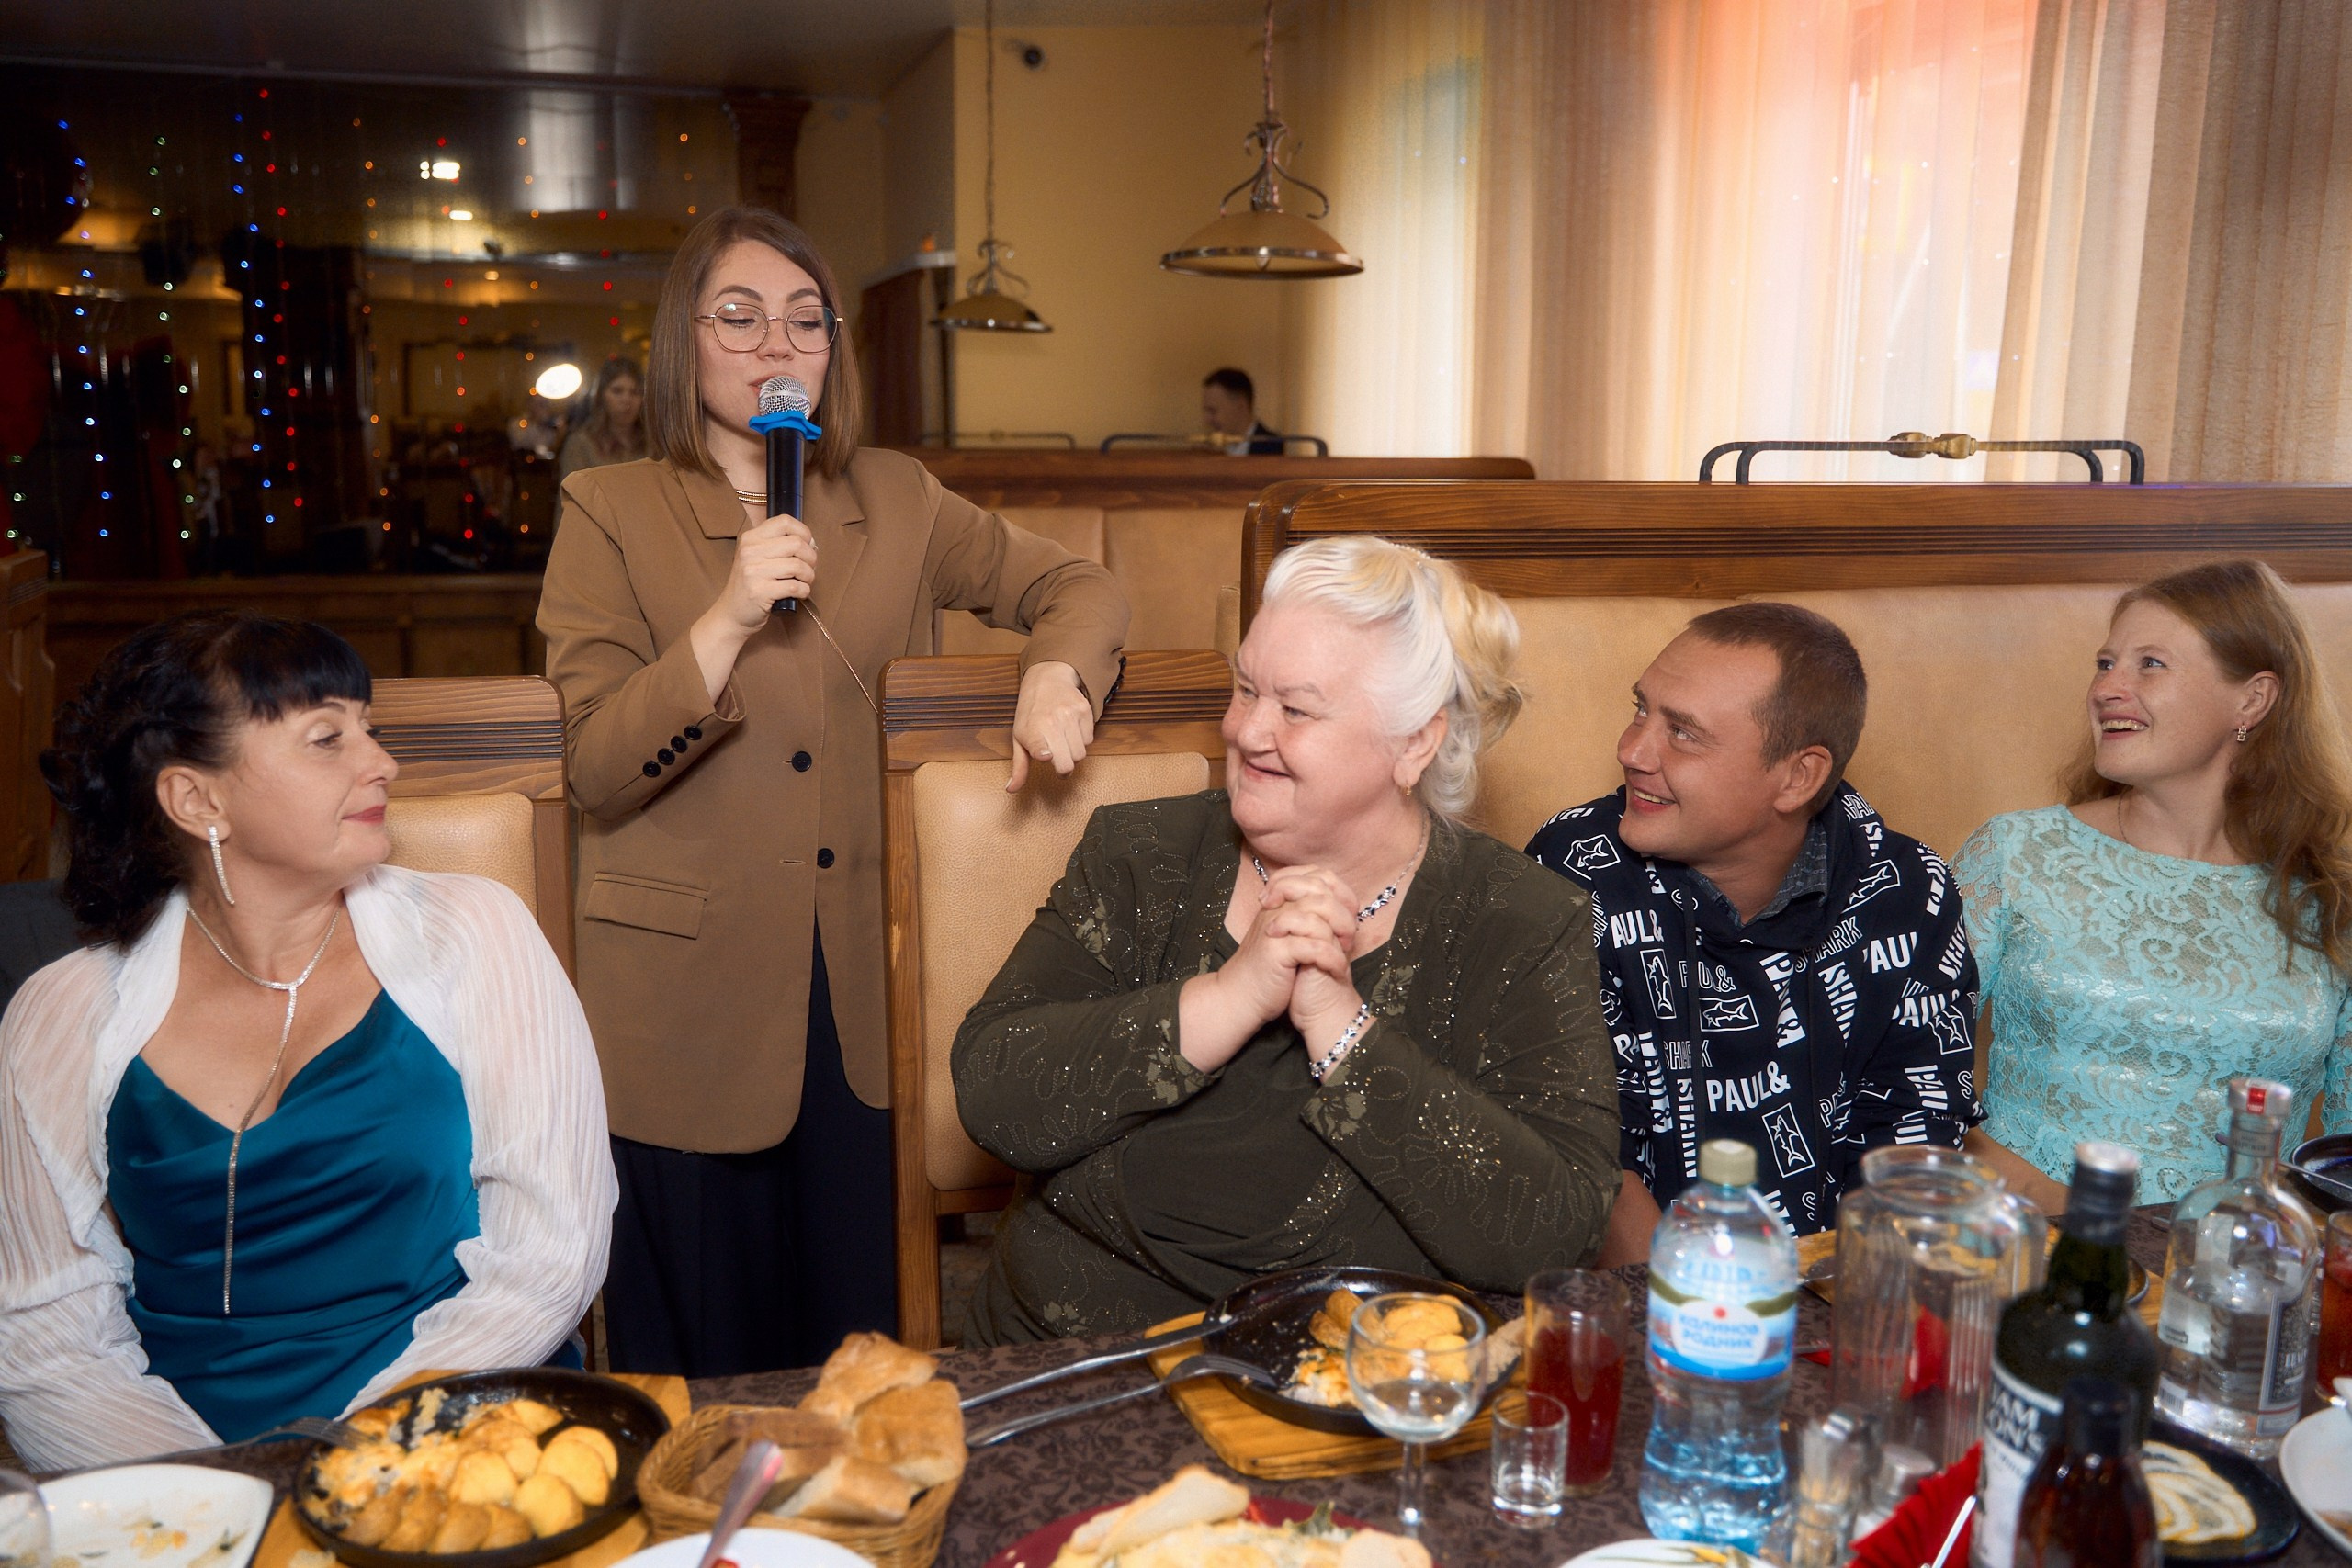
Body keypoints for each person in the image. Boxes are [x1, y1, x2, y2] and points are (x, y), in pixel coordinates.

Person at [537, 206, 1127, 1377]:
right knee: (697, 1374)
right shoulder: (610, 509)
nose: (777, 346)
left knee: (861, 1362)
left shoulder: (897, 497)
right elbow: (596, 763)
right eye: (741, 317)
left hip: (865, 993)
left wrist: (1054, 671)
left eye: (806, 321)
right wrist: (723, 618)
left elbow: (1077, 584)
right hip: (681, 1008)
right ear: (685, 341)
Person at [953, 536, 1620, 1343]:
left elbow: (1556, 1226)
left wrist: (1344, 1029)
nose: (1247, 730)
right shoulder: (1142, 854)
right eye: (1244, 689)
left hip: (1351, 1391)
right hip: (1077, 1362)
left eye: (1296, 708)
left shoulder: (1520, 920)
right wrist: (1228, 997)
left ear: (1415, 743)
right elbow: (994, 1090)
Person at [0, 611, 612, 1471]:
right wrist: (216, 1493)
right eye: (328, 738)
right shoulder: (63, 1013)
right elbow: (44, 1338)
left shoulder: (476, 932)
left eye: (369, 727)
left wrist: (353, 1457)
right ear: (196, 799)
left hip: (455, 1435)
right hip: (183, 1471)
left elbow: (550, 1256)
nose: (382, 762)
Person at [1526, 604, 1981, 1256]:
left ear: (1797, 776)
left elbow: (1912, 1140)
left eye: (1682, 732)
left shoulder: (1909, 893)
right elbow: (1586, 1149)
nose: (1632, 750)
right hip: (1648, 1298)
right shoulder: (1572, 868)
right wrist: (1704, 1317)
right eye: (1640, 710)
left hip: (1833, 1295)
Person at [1957, 560, 2352, 1210]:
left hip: (2238, 1273)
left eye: (2150, 664)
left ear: (2251, 700)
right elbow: (1906, 1086)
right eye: (2106, 662)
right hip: (2030, 1245)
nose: (2108, 687)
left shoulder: (2329, 901)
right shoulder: (2015, 854)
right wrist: (2090, 1224)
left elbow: (2342, 1159)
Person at [557, 358, 649, 483]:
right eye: (617, 391)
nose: (627, 400)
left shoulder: (653, 445)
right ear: (601, 396)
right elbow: (569, 499)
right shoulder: (581, 445)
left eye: (635, 392)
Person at [1201, 367, 1283, 455]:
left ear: (1240, 405)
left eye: (1213, 411)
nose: (1207, 420)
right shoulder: (1212, 452)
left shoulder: (1270, 447)